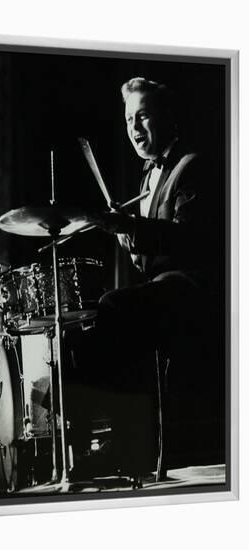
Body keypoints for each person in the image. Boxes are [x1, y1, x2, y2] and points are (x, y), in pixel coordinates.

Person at [66, 77, 224, 476]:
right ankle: (111, 437)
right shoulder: (146, 178)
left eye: (144, 116)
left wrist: (132, 227)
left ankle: (128, 443)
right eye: (128, 120)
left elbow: (192, 240)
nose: (135, 129)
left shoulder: (193, 164)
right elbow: (148, 260)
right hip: (166, 286)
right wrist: (127, 237)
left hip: (199, 287)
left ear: (168, 118)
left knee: (116, 306)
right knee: (95, 318)